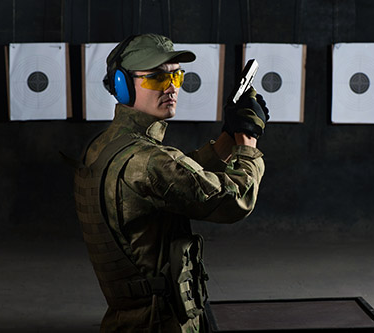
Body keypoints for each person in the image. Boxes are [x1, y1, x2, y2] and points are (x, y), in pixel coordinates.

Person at [74, 33, 269, 332]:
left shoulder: (105, 145)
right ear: (122, 85)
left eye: (176, 76)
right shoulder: (150, 160)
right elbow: (234, 200)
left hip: (127, 319)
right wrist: (248, 143)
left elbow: (176, 180)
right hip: (162, 322)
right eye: (155, 78)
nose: (171, 88)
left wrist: (228, 138)